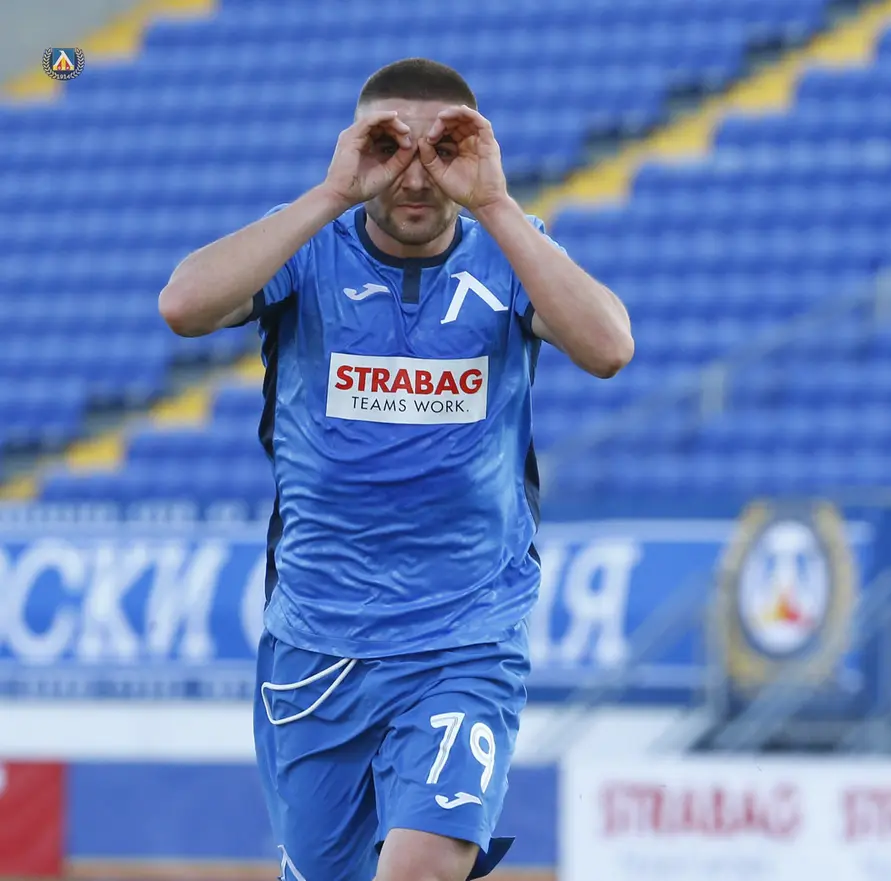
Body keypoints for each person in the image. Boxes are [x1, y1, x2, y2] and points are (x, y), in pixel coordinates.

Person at [157, 58, 633, 881]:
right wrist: (332, 192)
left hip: (463, 638)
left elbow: (610, 345)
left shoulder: (507, 253)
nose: (415, 175)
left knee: (422, 865)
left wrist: (494, 201)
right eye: (389, 146)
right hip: (318, 646)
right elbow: (182, 305)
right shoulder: (309, 248)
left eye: (442, 149)